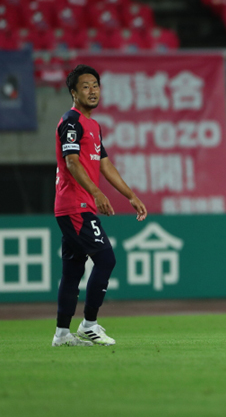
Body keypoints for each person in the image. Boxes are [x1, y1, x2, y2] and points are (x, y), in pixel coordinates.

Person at [52, 64, 147, 347]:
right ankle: (89, 324)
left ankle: (61, 335)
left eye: (96, 85)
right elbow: (71, 162)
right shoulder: (72, 122)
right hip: (75, 204)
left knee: (73, 271)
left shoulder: (93, 125)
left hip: (78, 205)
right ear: (73, 92)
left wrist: (130, 195)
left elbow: (105, 165)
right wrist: (95, 193)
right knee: (106, 259)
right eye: (85, 86)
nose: (92, 91)